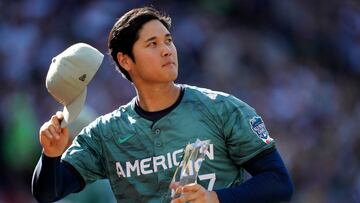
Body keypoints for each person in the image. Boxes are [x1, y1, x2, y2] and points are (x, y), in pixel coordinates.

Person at [32, 6, 294, 203]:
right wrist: (51, 156)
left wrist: (216, 198)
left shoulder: (223, 109)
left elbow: (279, 182)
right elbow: (47, 193)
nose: (167, 50)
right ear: (125, 60)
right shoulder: (104, 134)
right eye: (152, 44)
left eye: (168, 40)